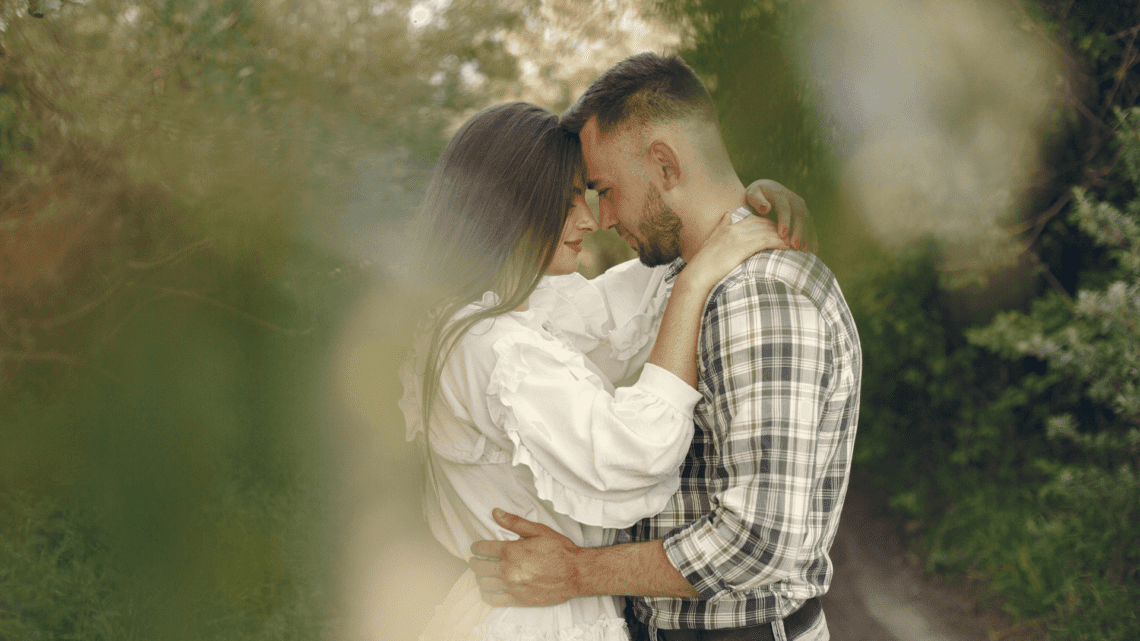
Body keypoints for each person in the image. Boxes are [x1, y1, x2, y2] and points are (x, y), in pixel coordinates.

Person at [469, 54, 862, 641]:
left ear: (663, 164)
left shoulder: (760, 297)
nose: (601, 218)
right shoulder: (685, 279)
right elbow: (552, 318)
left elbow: (759, 540)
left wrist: (578, 573)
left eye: (606, 189)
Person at [398, 101, 809, 641]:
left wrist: (736, 212)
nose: (591, 219)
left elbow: (616, 314)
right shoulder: (491, 346)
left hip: (536, 609)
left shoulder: (498, 315)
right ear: (510, 204)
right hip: (533, 619)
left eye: (589, 194)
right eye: (568, 199)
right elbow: (635, 452)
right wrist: (696, 282)